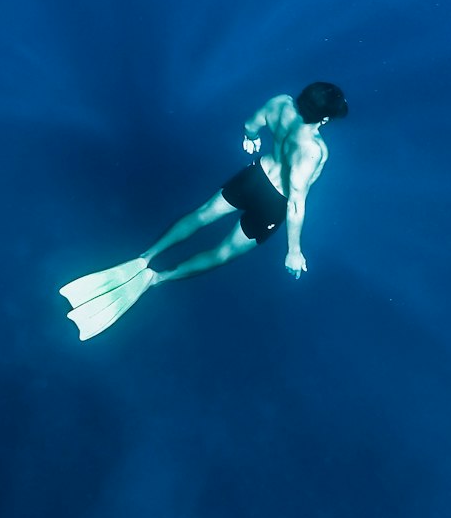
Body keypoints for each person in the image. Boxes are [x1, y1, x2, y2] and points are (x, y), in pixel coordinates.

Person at [59, 82, 349, 339]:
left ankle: (145, 257)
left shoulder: (280, 103)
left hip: (254, 176)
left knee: (201, 215)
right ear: (324, 118)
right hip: (272, 205)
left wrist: (251, 138)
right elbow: (296, 202)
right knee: (222, 253)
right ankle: (157, 279)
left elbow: (251, 124)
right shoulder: (314, 150)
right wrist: (293, 251)